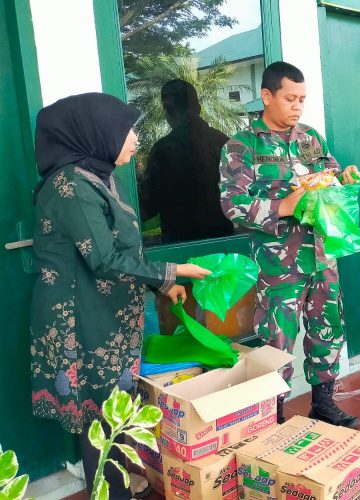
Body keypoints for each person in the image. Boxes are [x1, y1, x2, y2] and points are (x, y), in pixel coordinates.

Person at [29, 93, 211, 500]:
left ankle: (121, 482)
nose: (134, 140)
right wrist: (174, 270)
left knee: (115, 402)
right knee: (98, 406)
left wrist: (162, 284)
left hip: (108, 312)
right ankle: (113, 492)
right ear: (98, 133)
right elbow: (105, 259)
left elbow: (126, 250)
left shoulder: (99, 176)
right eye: (127, 131)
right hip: (81, 316)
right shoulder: (70, 185)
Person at [219, 62, 360, 429]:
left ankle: (323, 404)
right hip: (278, 263)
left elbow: (328, 176)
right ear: (267, 96)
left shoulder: (310, 138)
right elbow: (232, 204)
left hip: (322, 254)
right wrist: (283, 206)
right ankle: (273, 415)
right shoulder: (241, 146)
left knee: (327, 329)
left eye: (302, 99)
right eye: (290, 98)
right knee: (276, 342)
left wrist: (343, 178)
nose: (298, 106)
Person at [138, 79, 235, 244]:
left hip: (179, 248)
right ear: (198, 108)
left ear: (168, 110)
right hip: (225, 241)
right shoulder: (223, 142)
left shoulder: (163, 149)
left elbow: (146, 209)